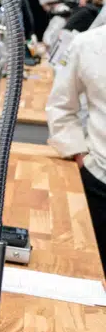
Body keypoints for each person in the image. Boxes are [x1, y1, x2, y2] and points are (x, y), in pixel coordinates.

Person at [46, 27, 106, 278]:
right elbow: (61, 106)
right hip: (100, 179)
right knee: (94, 275)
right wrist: (79, 155)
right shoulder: (88, 44)